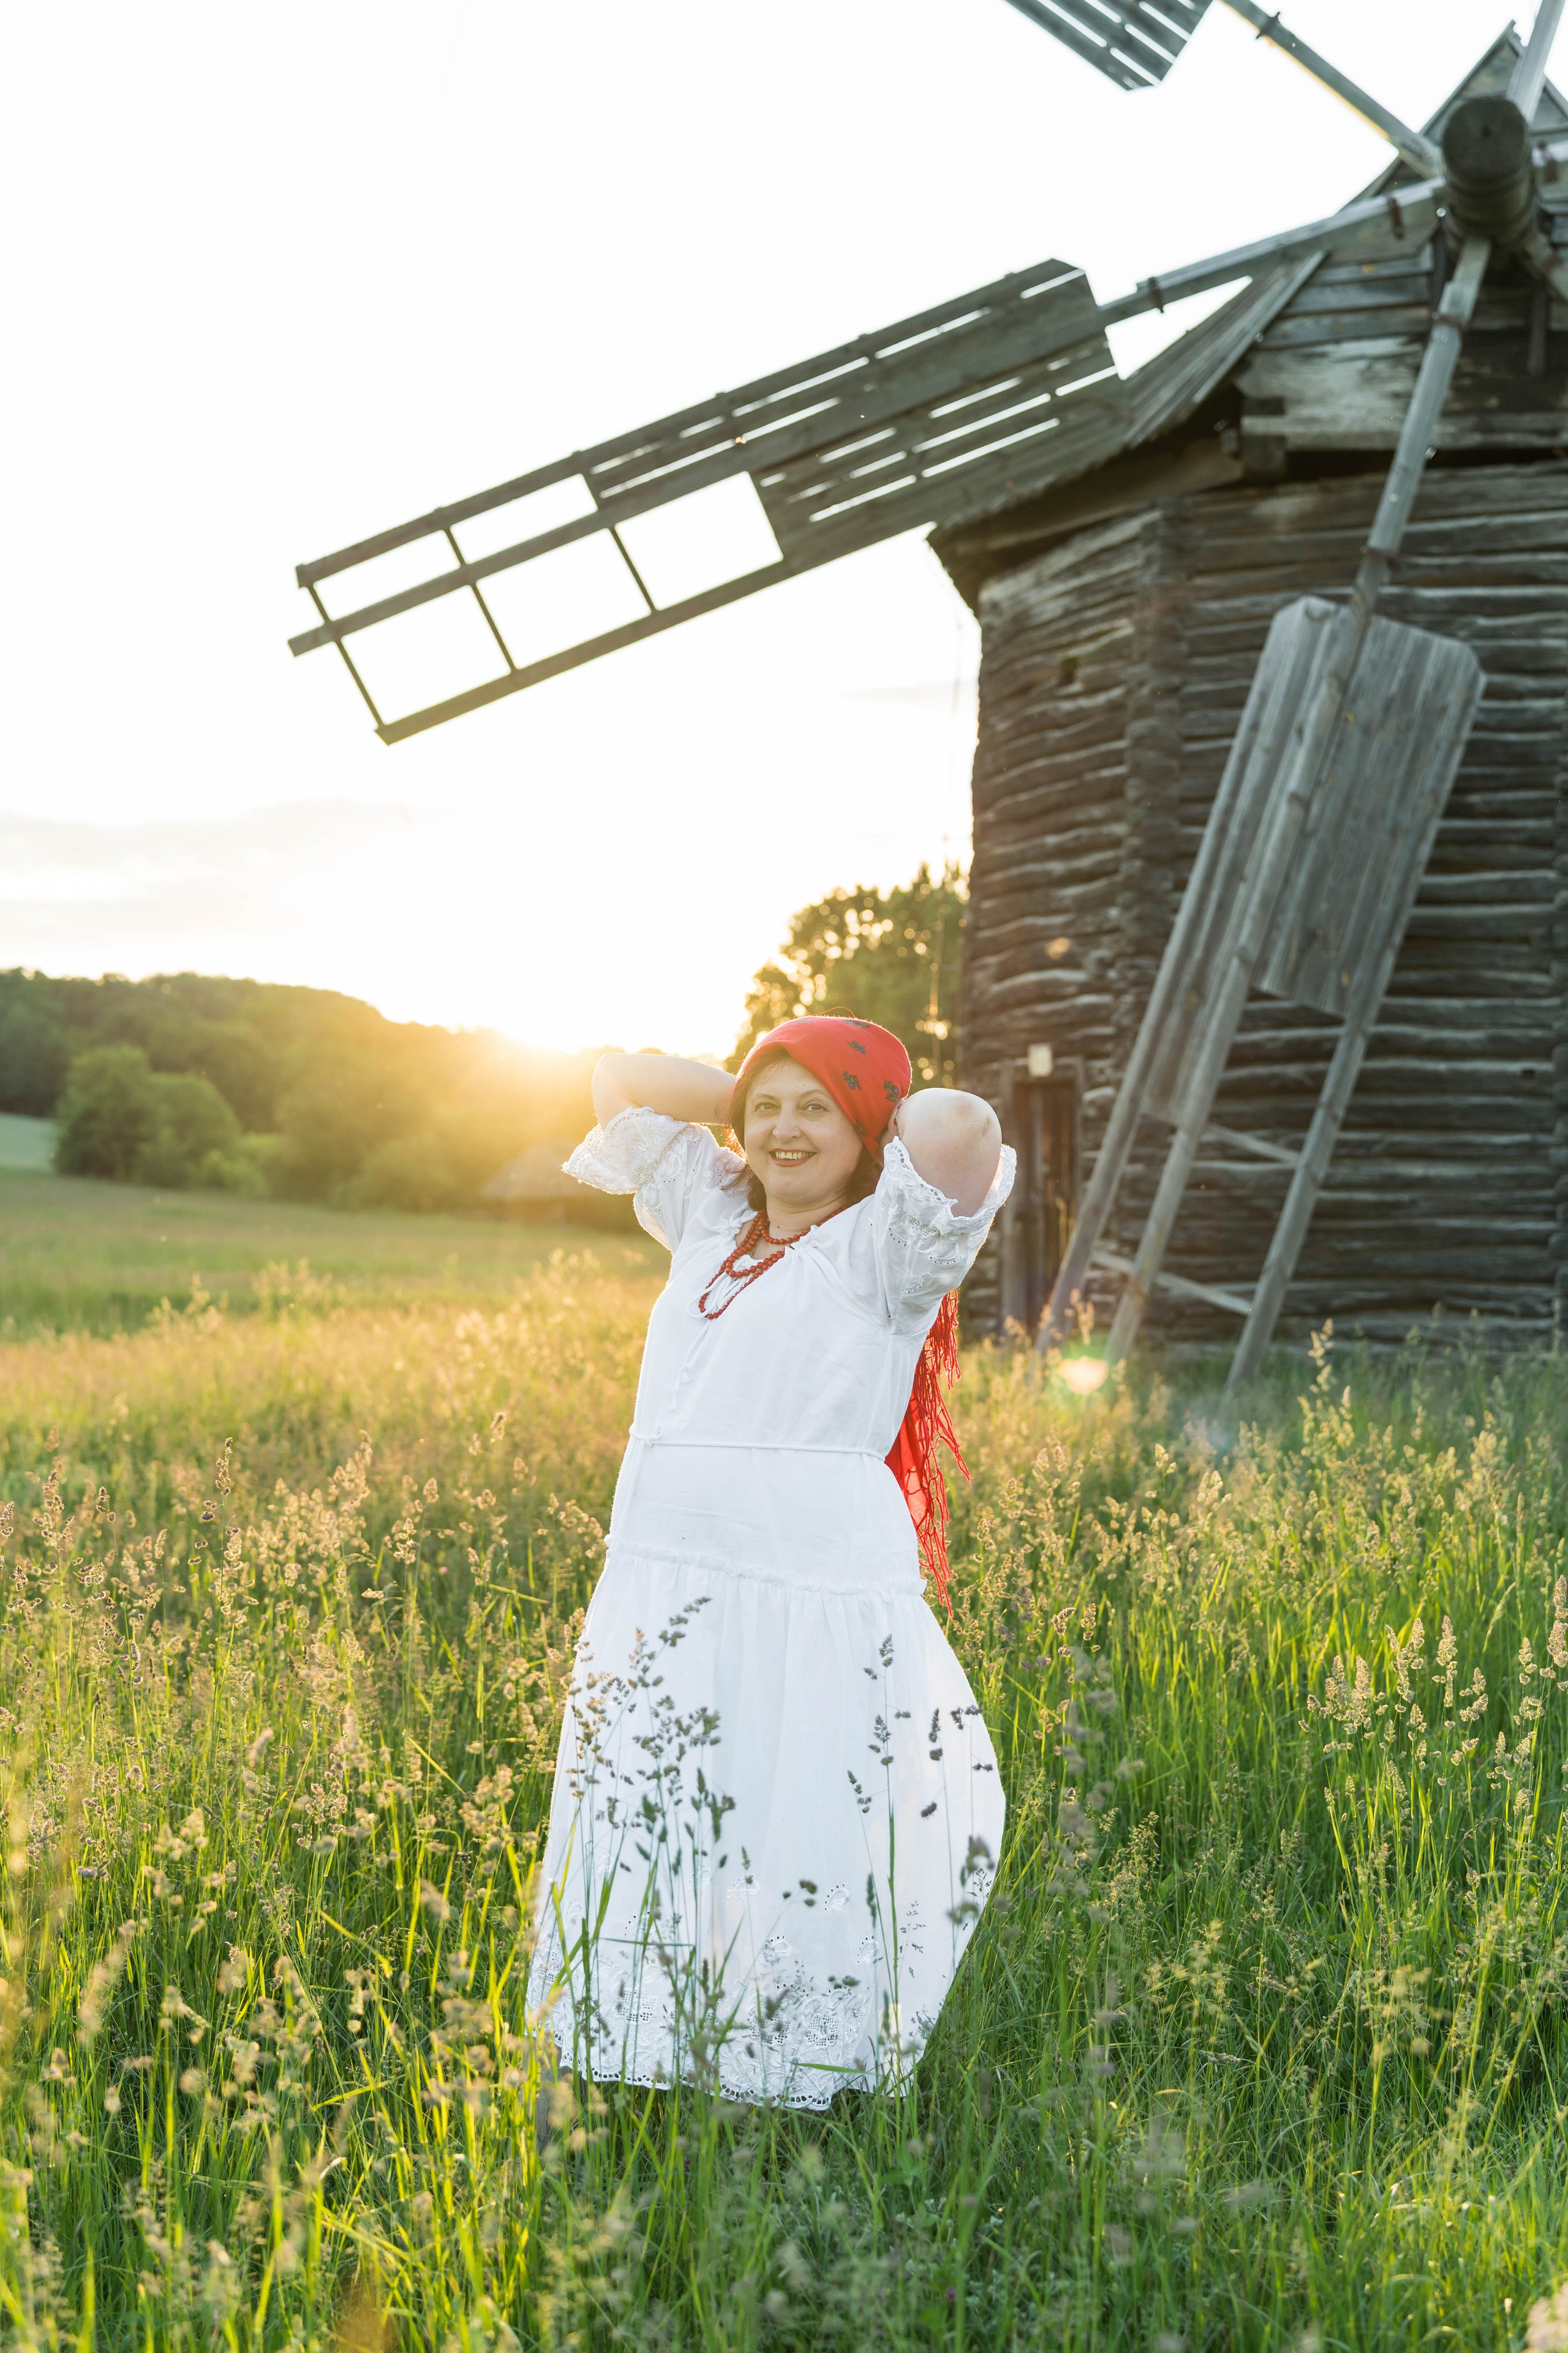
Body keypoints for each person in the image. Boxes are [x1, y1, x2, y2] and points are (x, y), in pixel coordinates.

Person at [526, 1015, 1014, 2109]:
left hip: (807, 1590)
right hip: (665, 1576)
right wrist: (748, 1097)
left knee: (788, 1815)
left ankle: (786, 2068)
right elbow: (618, 1075)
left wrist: (852, 1101)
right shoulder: (711, 1213)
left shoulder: (887, 1250)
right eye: (769, 1110)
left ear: (867, 1128)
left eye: (817, 1110)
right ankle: (652, 2041)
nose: (786, 1131)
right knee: (659, 1808)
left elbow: (962, 1124)